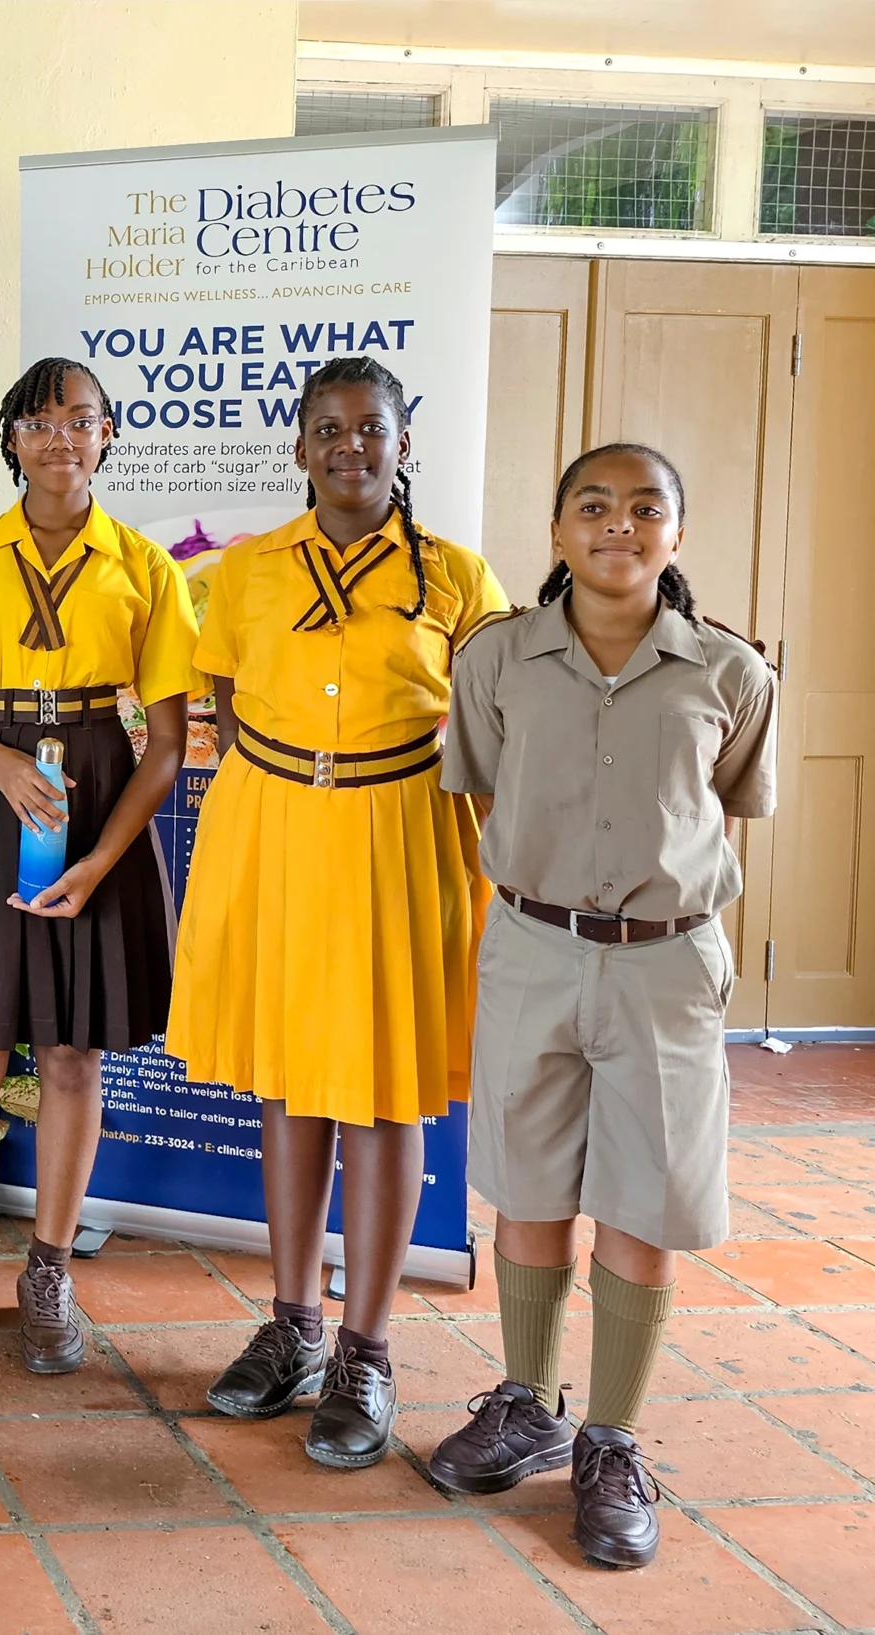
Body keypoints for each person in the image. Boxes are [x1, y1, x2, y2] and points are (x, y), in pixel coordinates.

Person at [428, 444, 773, 1569]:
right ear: (556, 530)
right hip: (532, 947)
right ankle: (527, 1402)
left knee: (644, 1199)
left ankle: (612, 1441)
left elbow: (724, 809)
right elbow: (484, 787)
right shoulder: (496, 659)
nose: (617, 524)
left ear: (676, 533)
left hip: (664, 967)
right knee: (528, 1184)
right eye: (593, 505)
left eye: (643, 507)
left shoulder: (731, 672)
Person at [166, 356, 511, 1470]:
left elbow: (496, 717)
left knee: (384, 1087)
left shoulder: (457, 576)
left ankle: (367, 1349)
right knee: (289, 1080)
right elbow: (224, 699)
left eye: (371, 427)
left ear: (404, 444)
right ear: (299, 446)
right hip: (274, 830)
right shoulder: (249, 569)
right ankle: (293, 1325)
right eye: (328, 428)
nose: (349, 446)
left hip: (402, 831)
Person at [0, 358, 196, 1369]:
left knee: (70, 1055)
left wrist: (103, 860)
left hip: (97, 795)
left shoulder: (145, 567)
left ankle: (51, 1267)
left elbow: (166, 743)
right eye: (39, 420)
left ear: (108, 436)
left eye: (81, 419)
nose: (61, 436)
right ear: (11, 438)